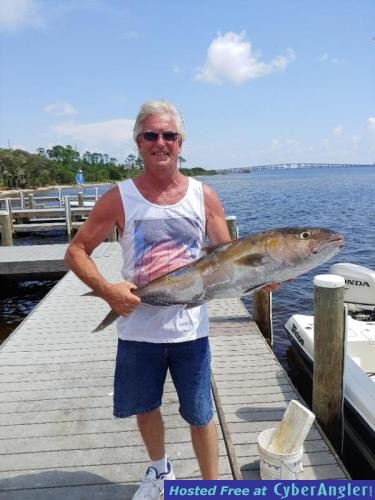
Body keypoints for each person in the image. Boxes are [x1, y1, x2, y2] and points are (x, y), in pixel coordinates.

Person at [64, 100, 232, 498]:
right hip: (138, 326)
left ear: (180, 143)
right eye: (151, 135)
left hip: (191, 329)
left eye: (169, 135)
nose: (161, 142)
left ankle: (211, 487)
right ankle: (159, 471)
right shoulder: (118, 197)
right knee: (145, 405)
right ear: (138, 143)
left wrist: (269, 273)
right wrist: (108, 290)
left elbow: (229, 256)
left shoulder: (204, 195)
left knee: (200, 413)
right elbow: (75, 250)